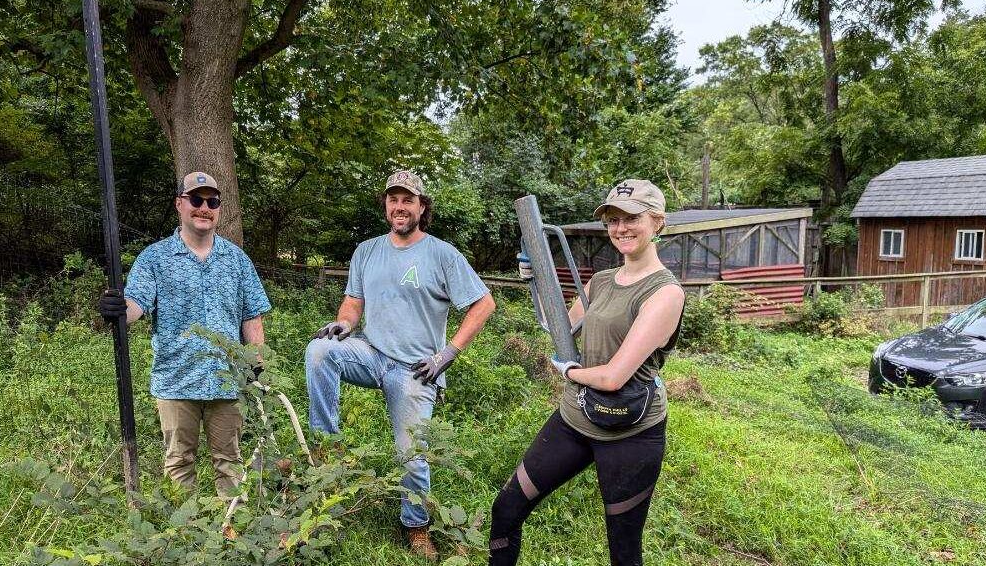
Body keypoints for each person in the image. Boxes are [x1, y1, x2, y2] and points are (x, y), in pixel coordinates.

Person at [489, 179, 685, 566]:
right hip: (576, 418)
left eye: (632, 218)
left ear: (657, 222)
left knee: (624, 550)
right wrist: (533, 283)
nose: (621, 228)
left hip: (633, 430)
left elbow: (613, 377)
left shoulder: (666, 293)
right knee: (505, 510)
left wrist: (570, 371)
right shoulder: (601, 281)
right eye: (613, 219)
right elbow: (555, 324)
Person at [305, 170, 496, 560]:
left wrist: (449, 353)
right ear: (386, 206)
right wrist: (344, 323)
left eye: (408, 200)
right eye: (393, 199)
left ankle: (416, 526)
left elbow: (484, 303)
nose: (399, 206)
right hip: (371, 353)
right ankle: (327, 446)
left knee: (411, 452)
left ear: (421, 207)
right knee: (319, 350)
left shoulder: (442, 254)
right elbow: (353, 301)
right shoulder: (367, 250)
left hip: (416, 370)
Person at [98, 171, 272, 497]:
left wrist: (257, 364)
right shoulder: (155, 258)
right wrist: (118, 307)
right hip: (176, 381)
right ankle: (185, 534)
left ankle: (232, 531)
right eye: (196, 199)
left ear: (219, 208)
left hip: (228, 381)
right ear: (180, 204)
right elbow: (137, 305)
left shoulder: (236, 259)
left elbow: (252, 315)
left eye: (212, 201)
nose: (204, 207)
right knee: (179, 462)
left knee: (230, 461)